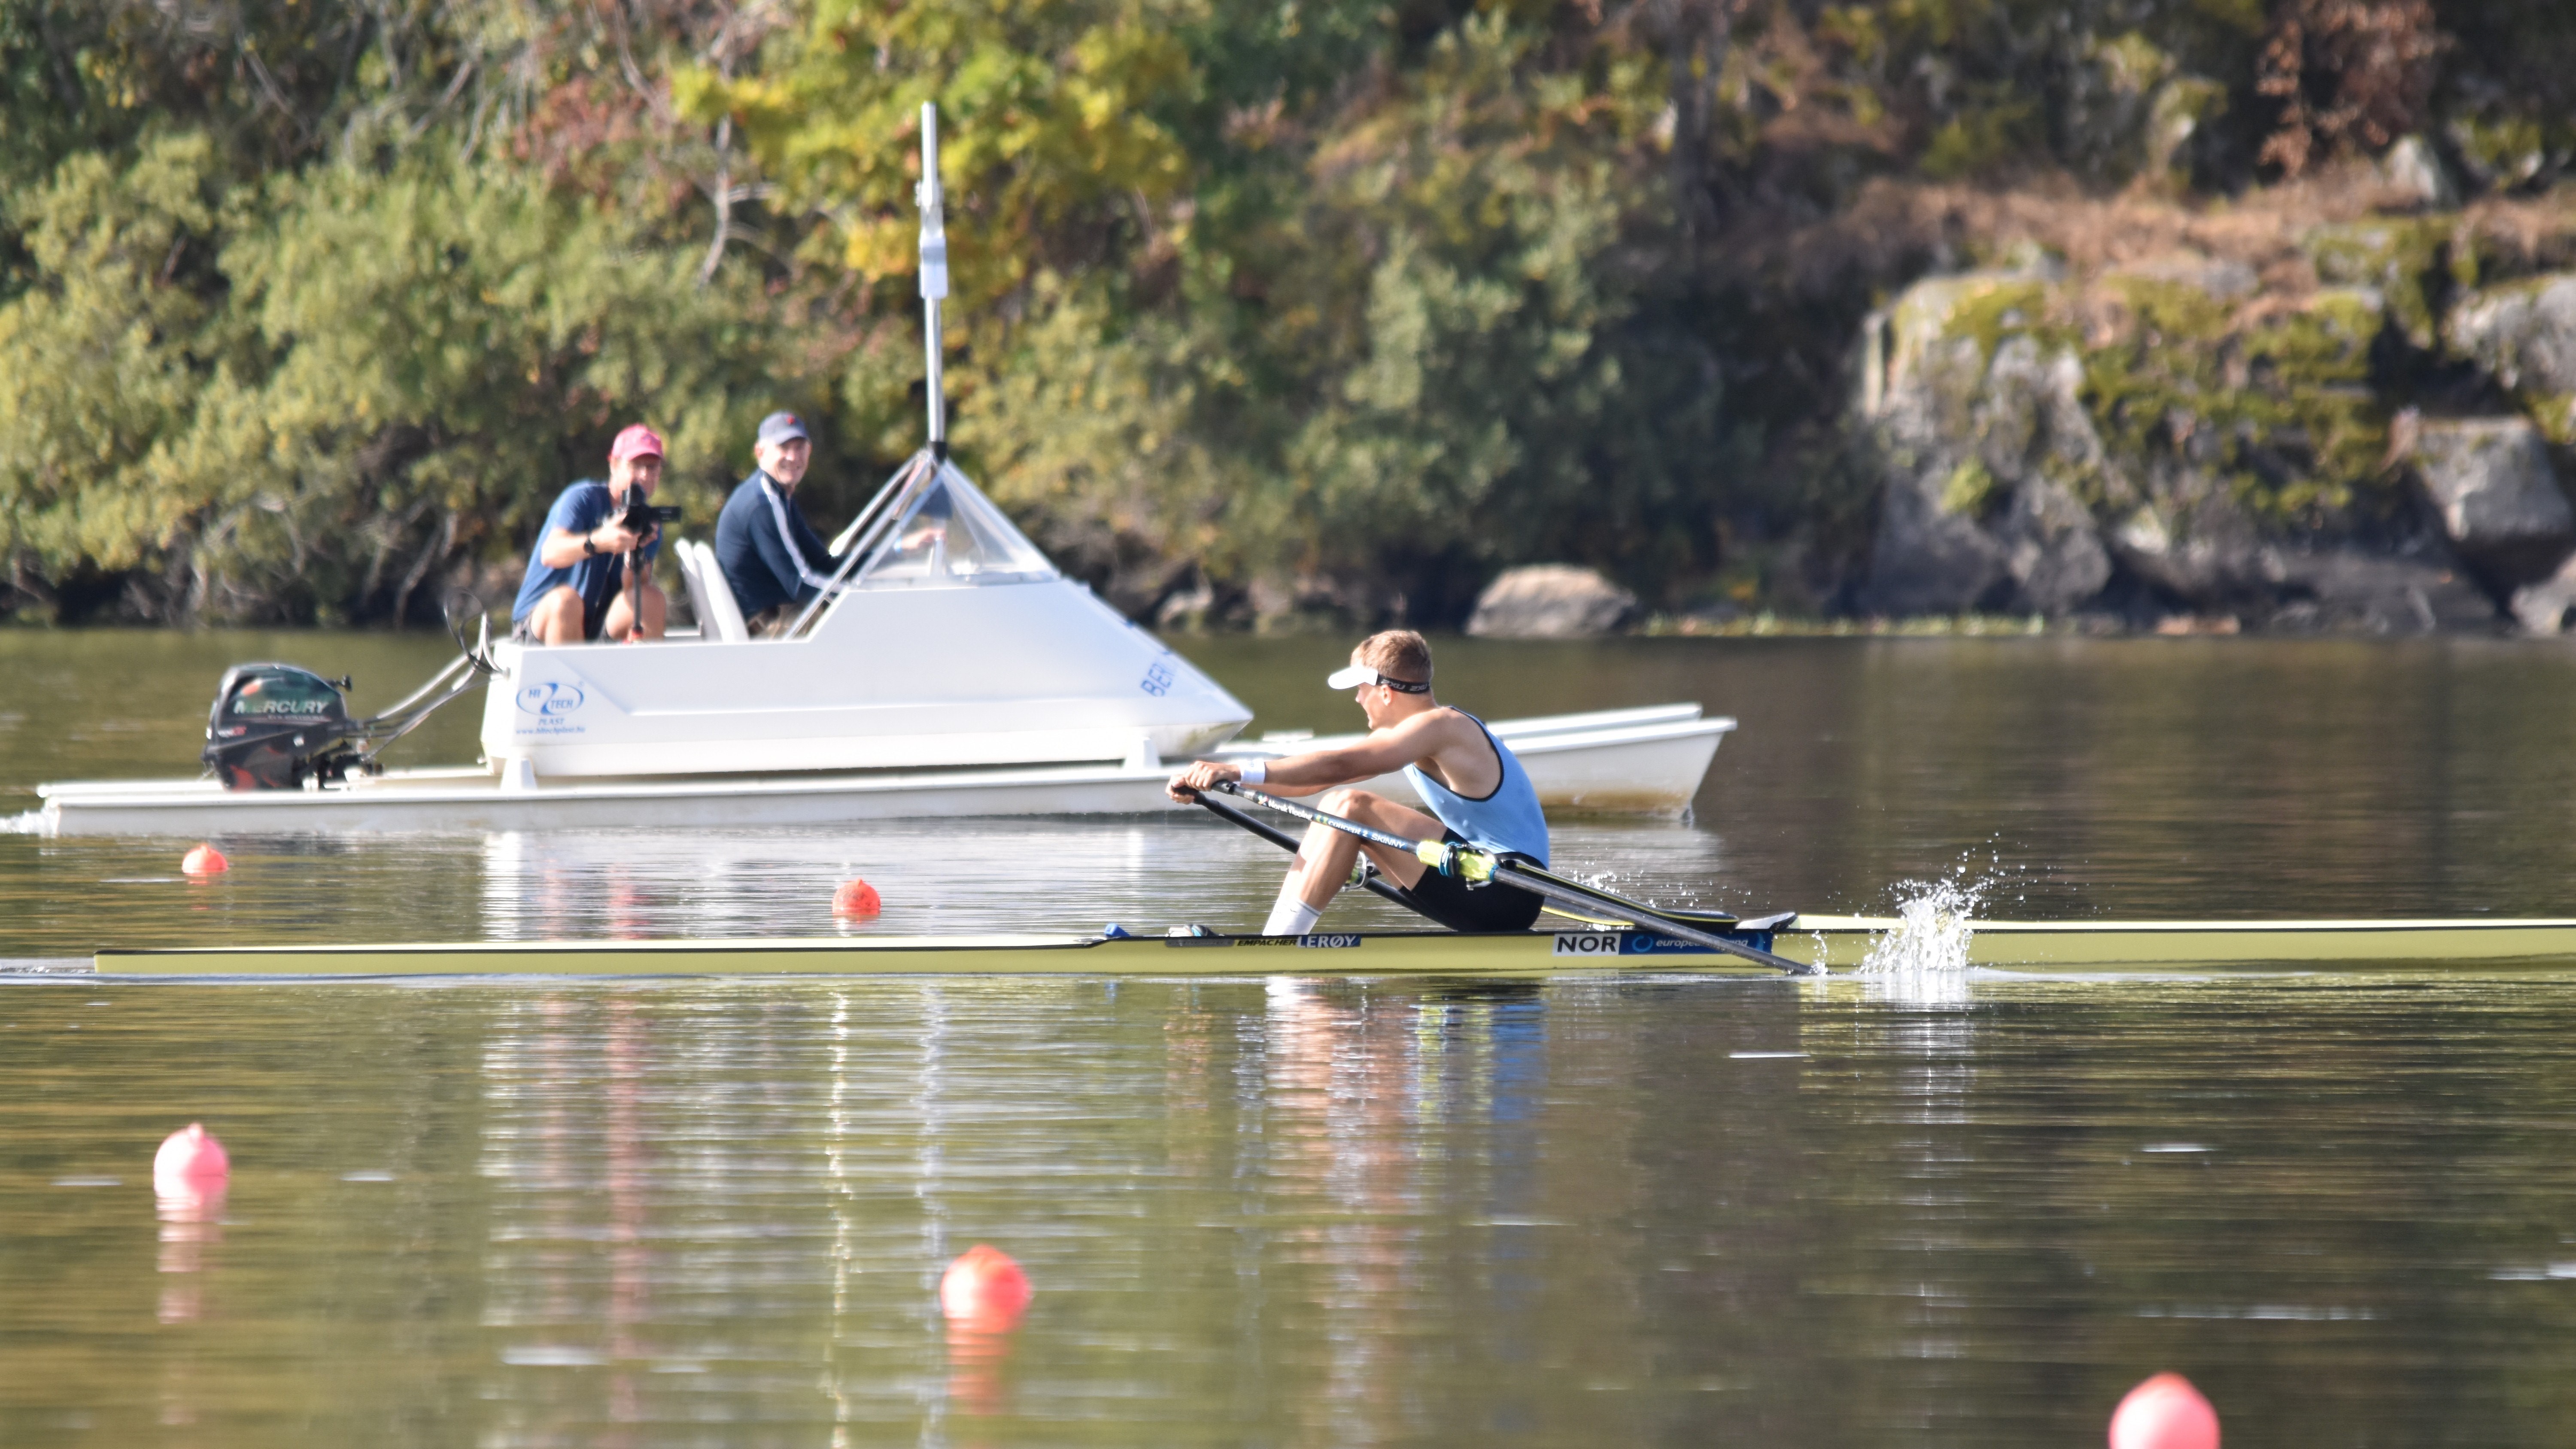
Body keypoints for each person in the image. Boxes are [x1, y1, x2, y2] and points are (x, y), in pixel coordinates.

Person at [1166, 630, 1551, 936]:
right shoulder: (1422, 732)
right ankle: (1275, 940)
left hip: (1509, 890)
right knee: (1335, 809)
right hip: (1478, 879)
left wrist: (1237, 770)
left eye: (1360, 689)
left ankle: (1276, 947)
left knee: (1349, 807)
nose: (1356, 699)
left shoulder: (1439, 727)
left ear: (1385, 692)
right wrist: (1219, 781)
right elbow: (1311, 784)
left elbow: (1339, 768)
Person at [510, 424, 669, 644]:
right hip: (540, 626)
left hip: (594, 628)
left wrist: (636, 552)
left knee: (651, 599)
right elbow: (551, 553)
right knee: (567, 602)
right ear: (614, 465)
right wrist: (599, 541)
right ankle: (564, 679)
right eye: (636, 465)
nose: (644, 475)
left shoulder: (647, 522)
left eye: (652, 467)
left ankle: (643, 676)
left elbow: (633, 589)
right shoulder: (583, 499)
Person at [714, 411, 837, 635]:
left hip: (783, 619)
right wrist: (857, 595)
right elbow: (799, 584)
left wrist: (894, 552)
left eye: (799, 447)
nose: (793, 457)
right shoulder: (761, 504)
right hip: (770, 630)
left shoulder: (778, 496)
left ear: (809, 451)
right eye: (783, 448)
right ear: (760, 452)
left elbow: (824, 564)